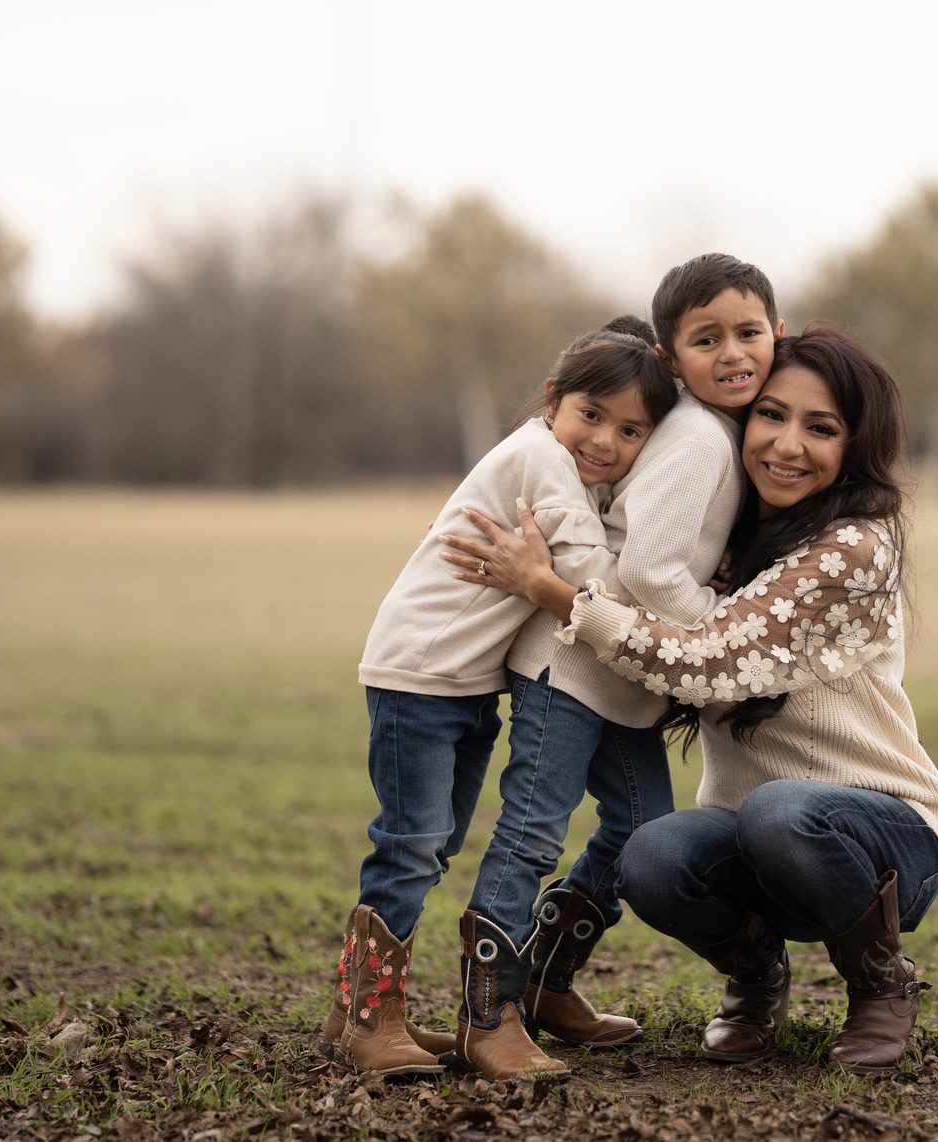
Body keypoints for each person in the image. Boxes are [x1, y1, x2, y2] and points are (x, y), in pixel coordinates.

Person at [441, 323, 938, 1076]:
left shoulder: (854, 548)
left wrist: (555, 592)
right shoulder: (738, 531)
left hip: (888, 839)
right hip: (765, 846)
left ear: (855, 446)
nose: (787, 444)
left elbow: (703, 663)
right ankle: (757, 979)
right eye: (772, 415)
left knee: (782, 808)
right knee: (652, 851)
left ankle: (883, 986)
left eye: (820, 428)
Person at [320, 318, 677, 1080]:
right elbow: (592, 579)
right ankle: (365, 1018)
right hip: (419, 674)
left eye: (631, 430)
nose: (605, 441)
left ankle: (370, 1012)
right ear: (554, 401)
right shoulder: (542, 458)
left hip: (464, 681)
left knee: (436, 841)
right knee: (412, 841)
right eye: (593, 414)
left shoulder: (562, 464)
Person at [460, 255, 785, 1078]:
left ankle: (542, 981)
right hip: (569, 667)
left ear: (777, 335)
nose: (734, 352)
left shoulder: (701, 426)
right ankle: (487, 1016)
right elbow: (644, 571)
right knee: (532, 833)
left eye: (749, 333)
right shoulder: (701, 437)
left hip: (619, 680)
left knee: (640, 830)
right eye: (707, 338)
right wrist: (726, 629)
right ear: (673, 356)